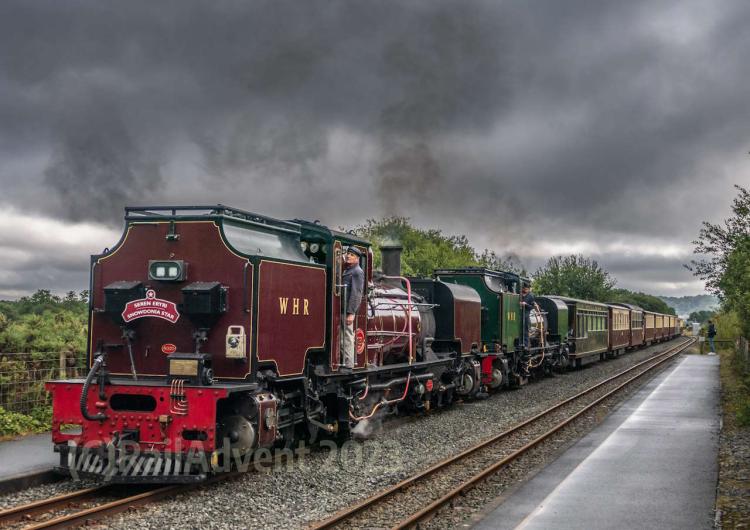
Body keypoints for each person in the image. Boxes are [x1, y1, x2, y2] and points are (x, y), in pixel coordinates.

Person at [341, 246, 364, 369]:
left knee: (348, 336)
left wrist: (352, 313)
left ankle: (348, 364)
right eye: (348, 254)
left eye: (352, 255)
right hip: (342, 309)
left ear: (357, 258)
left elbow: (357, 293)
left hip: (347, 310)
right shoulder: (347, 270)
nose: (348, 256)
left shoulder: (357, 272)